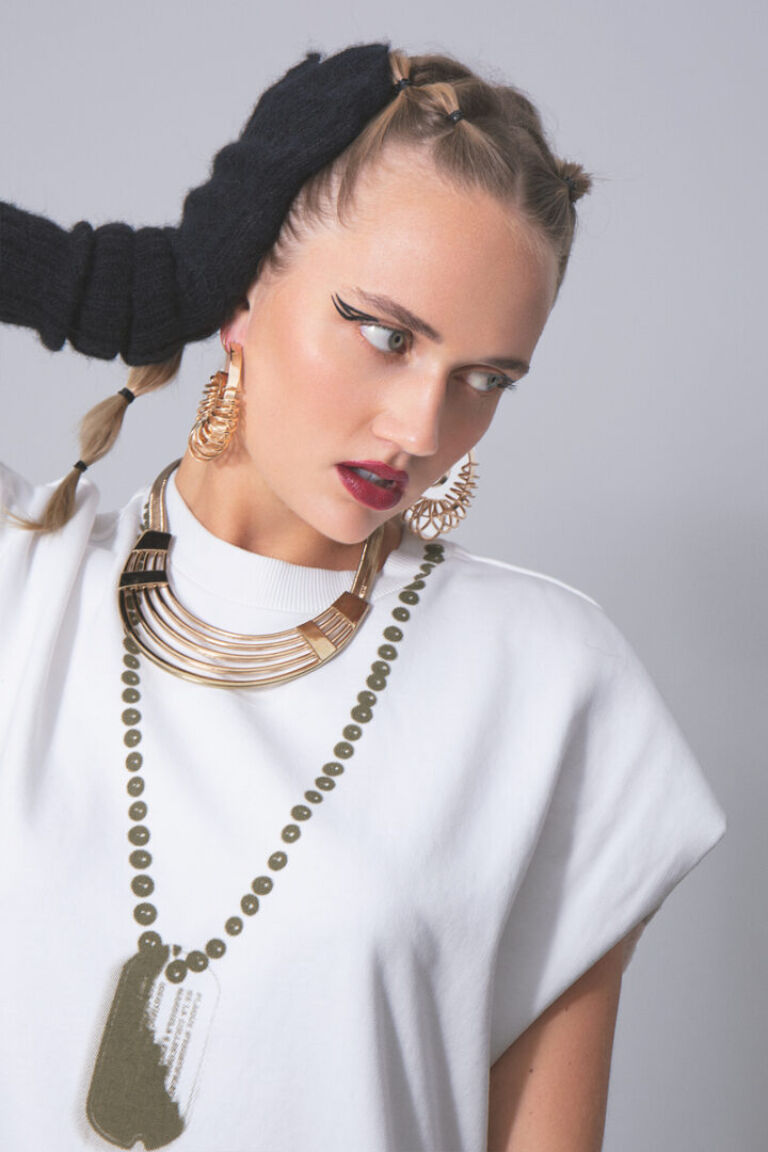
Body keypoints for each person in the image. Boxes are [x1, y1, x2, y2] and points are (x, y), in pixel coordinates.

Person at [0, 40, 726, 1152]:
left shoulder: (547, 686)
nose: (424, 428)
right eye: (387, 335)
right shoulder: (24, 581)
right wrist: (123, 280)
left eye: (486, 379)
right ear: (245, 286)